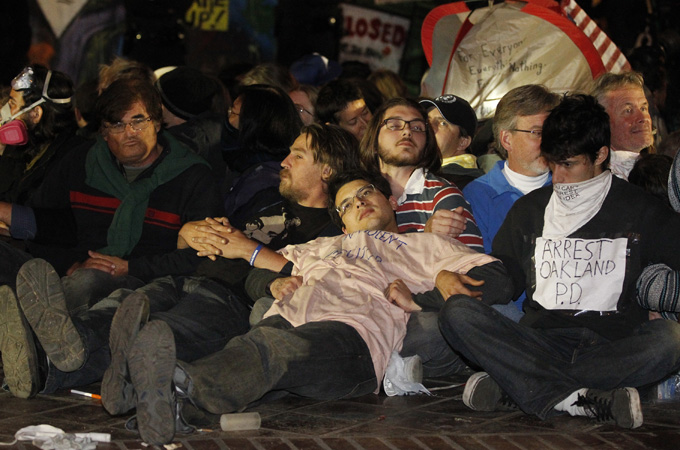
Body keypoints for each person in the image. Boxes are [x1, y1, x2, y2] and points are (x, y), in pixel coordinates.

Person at [100, 170, 511, 445]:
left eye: (366, 193)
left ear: (389, 200)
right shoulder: (321, 245)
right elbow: (252, 270)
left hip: (354, 335)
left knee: (272, 351)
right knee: (256, 351)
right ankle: (159, 401)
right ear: (343, 223)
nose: (359, 203)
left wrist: (430, 292)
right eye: (347, 204)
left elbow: (500, 279)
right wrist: (270, 281)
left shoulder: (424, 244)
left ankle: (165, 383)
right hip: (288, 318)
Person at [0, 123, 361, 404]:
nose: (283, 161)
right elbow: (211, 235)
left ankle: (47, 365)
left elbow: (308, 278)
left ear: (327, 171)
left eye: (298, 155)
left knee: (155, 333)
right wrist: (189, 232)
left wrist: (248, 250)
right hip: (187, 275)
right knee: (120, 310)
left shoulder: (333, 228)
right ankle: (48, 354)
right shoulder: (265, 201)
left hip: (231, 300)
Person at [439, 94, 680, 430]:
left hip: (612, 345)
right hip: (541, 341)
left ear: (600, 155)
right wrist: (452, 281)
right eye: (552, 164)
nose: (558, 178)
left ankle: (518, 386)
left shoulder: (641, 209)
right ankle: (574, 399)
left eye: (569, 165)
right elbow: (505, 275)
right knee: (456, 313)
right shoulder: (530, 210)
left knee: (671, 339)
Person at [0, 78, 221, 390]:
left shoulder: (191, 176)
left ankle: (23, 339)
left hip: (139, 282)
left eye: (138, 121)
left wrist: (129, 267)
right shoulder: (81, 163)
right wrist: (71, 263)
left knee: (89, 281)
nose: (129, 132)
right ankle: (24, 330)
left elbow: (199, 258)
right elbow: (49, 227)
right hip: (66, 271)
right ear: (103, 132)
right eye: (117, 124)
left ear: (157, 123)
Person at [360, 97, 483, 251]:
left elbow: (473, 263)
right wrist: (425, 237)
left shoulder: (443, 196)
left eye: (417, 128)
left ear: (427, 143)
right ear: (374, 137)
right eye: (395, 125)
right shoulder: (356, 197)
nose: (407, 131)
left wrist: (428, 239)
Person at [0, 65, 87, 205]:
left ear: (36, 114)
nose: (5, 111)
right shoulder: (23, 146)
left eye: (12, 104)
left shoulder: (70, 158)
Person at [592, 71, 654, 180]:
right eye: (628, 111)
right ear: (603, 123)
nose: (643, 118)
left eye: (643, 108)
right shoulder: (600, 180)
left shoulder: (659, 168)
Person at [420, 94, 484, 188]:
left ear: (462, 142)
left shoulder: (462, 184)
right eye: (427, 121)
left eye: (443, 123)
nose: (430, 127)